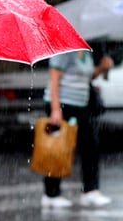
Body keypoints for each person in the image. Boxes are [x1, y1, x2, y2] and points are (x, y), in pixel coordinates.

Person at [40, 50, 114, 208]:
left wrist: (102, 68)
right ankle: (51, 193)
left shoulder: (86, 52)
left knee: (91, 145)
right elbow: (54, 79)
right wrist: (55, 109)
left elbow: (88, 77)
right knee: (58, 148)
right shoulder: (63, 52)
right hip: (63, 106)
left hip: (82, 106)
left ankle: (90, 190)